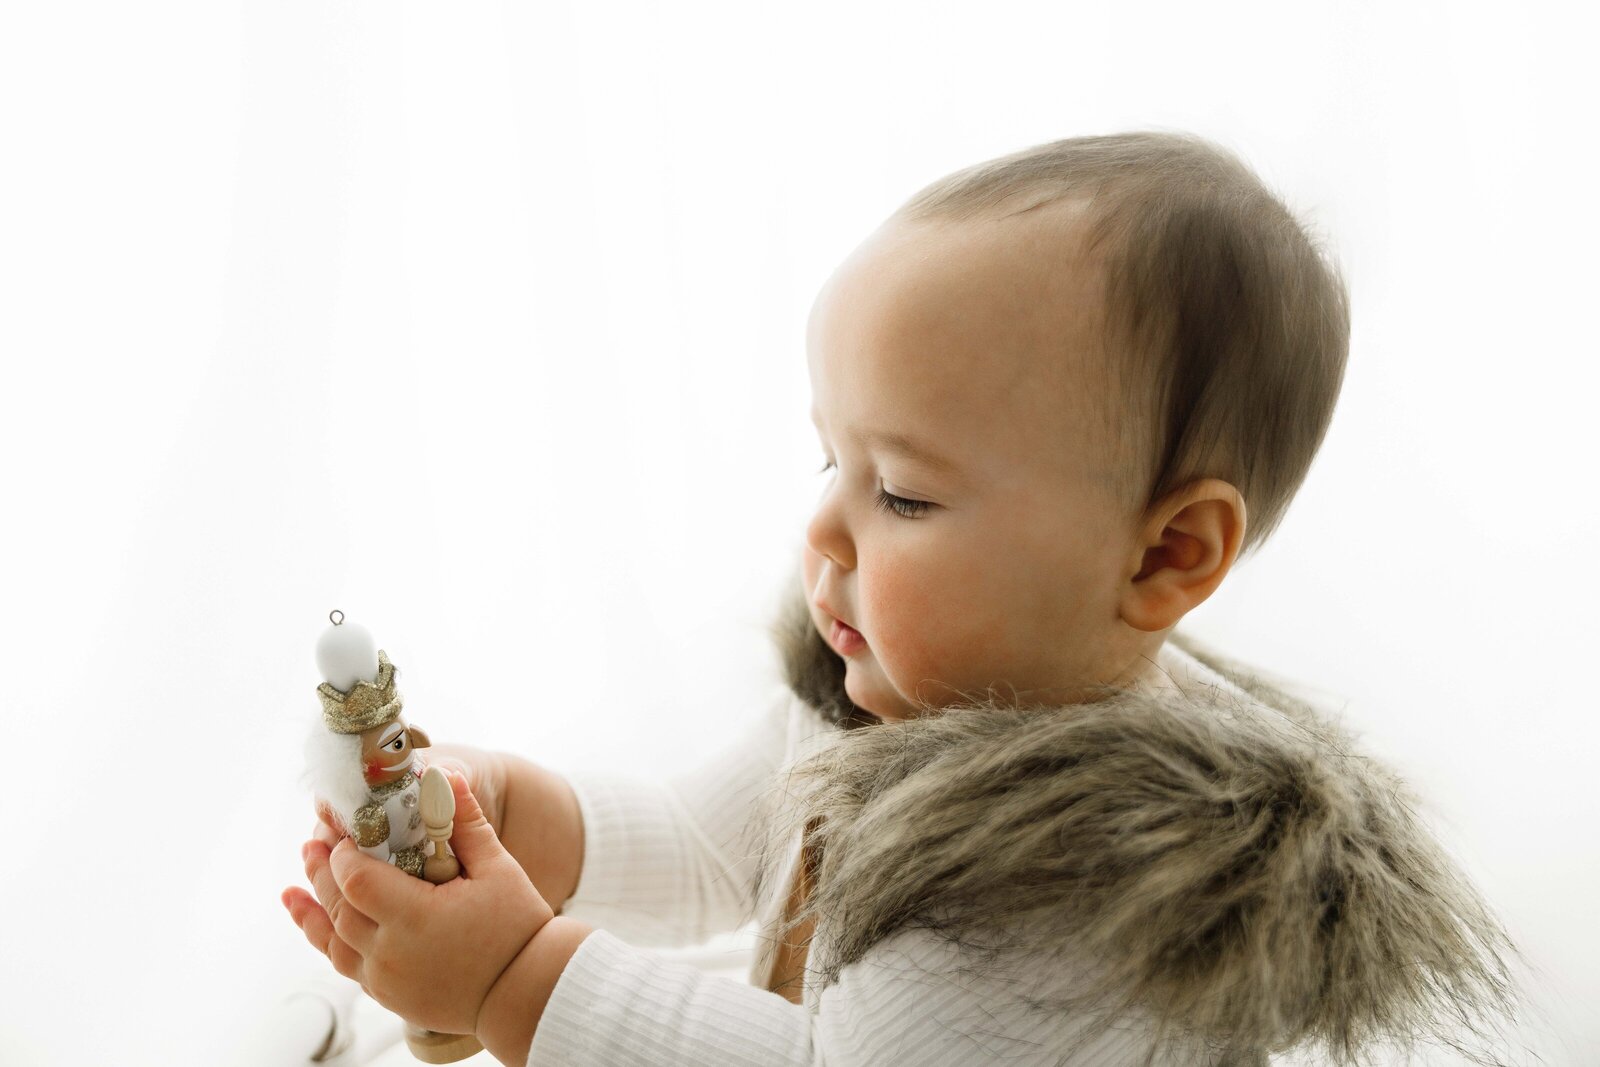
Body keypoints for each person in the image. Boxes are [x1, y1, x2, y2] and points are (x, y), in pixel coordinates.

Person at [283, 131, 1525, 1066]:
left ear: (1163, 556)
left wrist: (515, 975)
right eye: (834, 460)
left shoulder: (1089, 886)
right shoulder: (890, 678)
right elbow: (723, 845)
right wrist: (532, 824)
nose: (823, 526)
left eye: (907, 497)